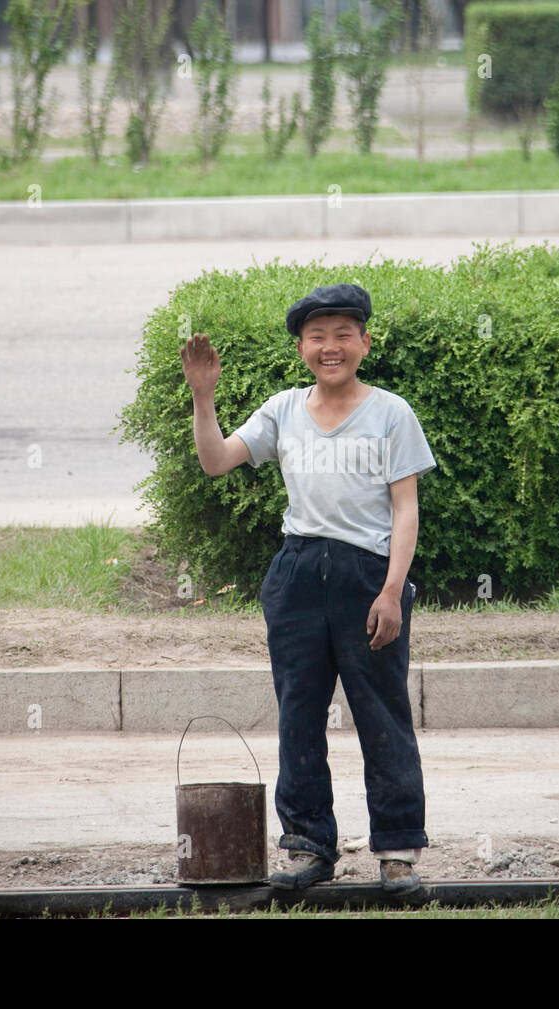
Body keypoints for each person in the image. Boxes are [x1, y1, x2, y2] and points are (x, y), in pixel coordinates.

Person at [179, 283, 435, 896]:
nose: (331, 347)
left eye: (343, 335)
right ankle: (307, 846)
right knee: (298, 714)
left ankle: (397, 851)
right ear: (301, 348)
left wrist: (392, 591)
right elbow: (216, 461)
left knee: (383, 715)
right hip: (296, 577)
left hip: (366, 577)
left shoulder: (392, 413)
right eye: (318, 337)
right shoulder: (283, 410)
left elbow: (406, 511)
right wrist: (202, 397)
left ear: (364, 344)